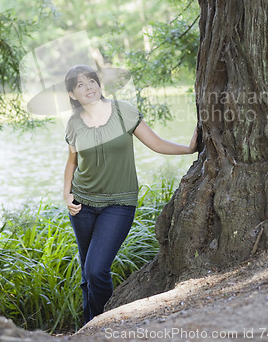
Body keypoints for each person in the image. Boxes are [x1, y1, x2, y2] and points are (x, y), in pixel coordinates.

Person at [63, 65, 198, 324]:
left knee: (96, 269)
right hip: (82, 205)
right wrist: (67, 195)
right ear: (72, 94)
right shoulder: (73, 123)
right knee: (86, 273)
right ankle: (88, 326)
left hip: (119, 204)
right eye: (80, 84)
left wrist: (190, 149)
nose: (88, 86)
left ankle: (104, 324)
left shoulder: (123, 111)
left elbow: (156, 143)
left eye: (91, 80)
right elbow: (72, 163)